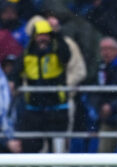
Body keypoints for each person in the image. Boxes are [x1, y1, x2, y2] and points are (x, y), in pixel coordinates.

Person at [10, 19, 70, 153]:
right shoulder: (27, 53)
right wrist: (14, 82)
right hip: (34, 107)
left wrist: (58, 34)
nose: (43, 38)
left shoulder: (57, 48)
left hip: (56, 106)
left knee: (56, 148)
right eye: (40, 35)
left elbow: (66, 56)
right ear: (34, 37)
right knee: (30, 145)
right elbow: (16, 72)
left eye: (46, 35)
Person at [93, 36, 117, 153]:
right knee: (103, 153)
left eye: (109, 48)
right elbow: (97, 92)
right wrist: (99, 108)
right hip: (107, 118)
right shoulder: (101, 68)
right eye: (103, 49)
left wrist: (112, 106)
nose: (105, 52)